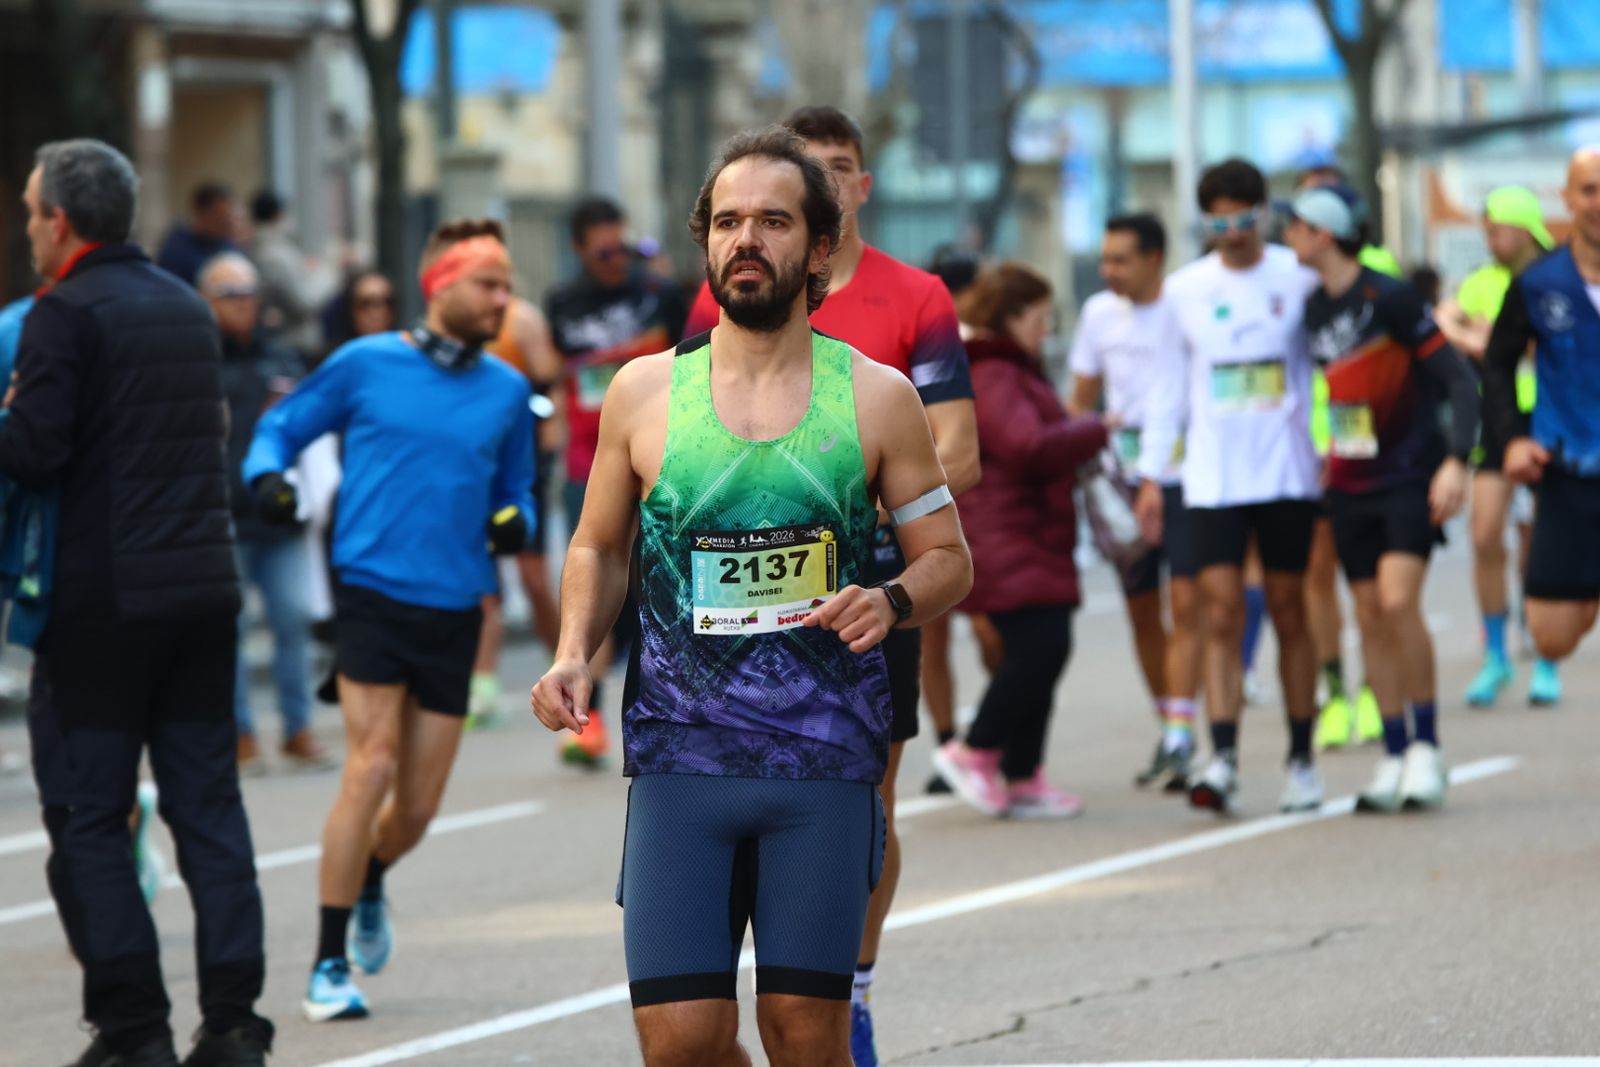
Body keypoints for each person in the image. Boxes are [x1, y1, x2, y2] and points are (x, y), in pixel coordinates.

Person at [530, 123, 972, 1067]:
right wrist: (574, 651)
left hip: (821, 762)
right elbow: (600, 544)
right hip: (682, 761)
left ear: (819, 247)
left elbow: (947, 557)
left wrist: (891, 599)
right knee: (680, 1042)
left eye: (773, 221)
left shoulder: (877, 395)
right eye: (727, 220)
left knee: (803, 1034)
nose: (746, 239)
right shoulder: (644, 393)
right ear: (703, 241)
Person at [682, 106, 980, 1067]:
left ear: (852, 195)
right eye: (738, 216)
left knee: (868, 799)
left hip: (867, 604)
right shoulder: (723, 300)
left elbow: (958, 453)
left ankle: (848, 980)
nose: (755, 233)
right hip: (717, 647)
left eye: (834, 170)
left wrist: (854, 529)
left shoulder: (915, 297)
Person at [9, 138, 272, 1067]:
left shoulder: (60, 313)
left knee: (89, 815)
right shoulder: (184, 306)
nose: (29, 224)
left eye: (34, 209)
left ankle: (133, 1031)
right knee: (208, 808)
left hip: (103, 605)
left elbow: (33, 451)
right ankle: (234, 1023)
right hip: (204, 594)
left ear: (62, 221)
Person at [244, 218, 536, 1021]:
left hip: (454, 605)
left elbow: (520, 489)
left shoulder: (508, 391)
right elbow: (278, 427)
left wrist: (516, 516)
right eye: (489, 284)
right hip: (370, 592)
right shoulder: (364, 363)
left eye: (508, 286)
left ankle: (371, 874)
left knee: (414, 809)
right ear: (440, 282)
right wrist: (267, 477)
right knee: (367, 764)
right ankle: (327, 964)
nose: (503, 299)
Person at [1135, 158, 1324, 815]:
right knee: (1219, 613)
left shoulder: (1297, 279)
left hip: (1286, 472)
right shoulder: (1185, 290)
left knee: (1291, 607)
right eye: (1219, 220)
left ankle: (1302, 758)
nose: (1234, 231)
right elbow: (1167, 390)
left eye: (1245, 218)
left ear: (1264, 214)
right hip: (1211, 477)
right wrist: (1154, 476)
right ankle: (1223, 757)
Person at [1284, 183, 1477, 811]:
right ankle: (1393, 753)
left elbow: (1457, 377)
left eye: (1296, 225)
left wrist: (1456, 461)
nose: (1287, 236)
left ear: (1324, 233)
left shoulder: (1388, 296)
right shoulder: (1313, 308)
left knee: (1398, 604)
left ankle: (1429, 748)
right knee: (1367, 615)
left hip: (1408, 474)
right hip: (1347, 483)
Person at [934, 262, 1107, 818]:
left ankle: (1024, 773)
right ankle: (976, 748)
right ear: (1010, 316)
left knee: (1044, 649)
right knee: (1038, 649)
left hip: (1027, 533)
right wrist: (1095, 427)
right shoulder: (997, 372)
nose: (1046, 330)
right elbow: (1028, 446)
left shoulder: (1008, 367)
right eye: (1040, 318)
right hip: (1008, 533)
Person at [545, 196, 688, 765]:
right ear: (580, 249)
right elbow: (556, 370)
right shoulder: (561, 301)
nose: (614, 260)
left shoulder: (658, 292)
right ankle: (594, 712)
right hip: (590, 453)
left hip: (661, 446)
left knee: (651, 577)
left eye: (620, 248)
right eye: (602, 251)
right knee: (601, 566)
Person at [1067, 213, 1202, 791]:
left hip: (1185, 473)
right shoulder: (1098, 314)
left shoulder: (1186, 305)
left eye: (1121, 259)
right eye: (1105, 259)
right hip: (1121, 482)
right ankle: (1171, 728)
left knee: (1190, 606)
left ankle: (1182, 732)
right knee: (1143, 612)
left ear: (1155, 257)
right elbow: (1079, 402)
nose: (1109, 271)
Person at [203, 252, 332, 774]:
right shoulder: (197, 357)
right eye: (231, 295)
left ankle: (297, 729)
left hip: (279, 515)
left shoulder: (282, 358)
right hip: (220, 516)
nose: (244, 304)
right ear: (207, 302)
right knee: (226, 633)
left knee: (292, 625)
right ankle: (240, 735)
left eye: (249, 293)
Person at [1435, 186, 1560, 708]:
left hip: (1550, 421)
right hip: (1497, 419)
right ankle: (1496, 653)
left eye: (1496, 228)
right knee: (1486, 534)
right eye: (1484, 229)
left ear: (1526, 227)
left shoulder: (1556, 280)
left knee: (1542, 539)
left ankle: (1547, 651)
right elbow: (1443, 320)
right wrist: (1476, 339)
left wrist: (1498, 339)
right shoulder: (1481, 282)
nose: (1489, 238)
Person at [1483, 148, 1600, 694]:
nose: (1598, 203)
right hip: (1568, 467)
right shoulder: (1538, 282)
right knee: (1551, 636)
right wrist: (1511, 440)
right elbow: (1499, 362)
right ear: (1567, 199)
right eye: (1588, 190)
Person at [1292, 166, 1382, 749]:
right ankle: (1334, 692)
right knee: (1315, 575)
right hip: (1316, 450)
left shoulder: (1381, 282)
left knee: (1372, 583)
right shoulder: (1305, 294)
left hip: (1374, 454)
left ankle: (1376, 689)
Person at [469, 294, 564, 726]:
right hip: (480, 466)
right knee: (484, 582)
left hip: (523, 469)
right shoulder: (458, 321)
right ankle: (482, 686)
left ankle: (562, 658)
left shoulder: (521, 319)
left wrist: (543, 458)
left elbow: (550, 390)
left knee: (532, 578)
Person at [249, 189, 331, 354]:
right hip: (293, 343)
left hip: (289, 341)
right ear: (279, 215)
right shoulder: (274, 255)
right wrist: (323, 274)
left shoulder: (270, 248)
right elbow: (304, 301)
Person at [157, 181, 239, 287]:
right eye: (219, 217)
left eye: (229, 216)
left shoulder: (227, 244)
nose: (227, 223)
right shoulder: (177, 251)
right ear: (200, 213)